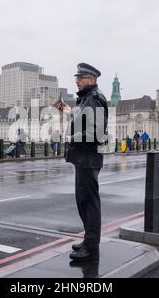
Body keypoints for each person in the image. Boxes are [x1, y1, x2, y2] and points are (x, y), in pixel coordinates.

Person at [57, 63, 109, 262]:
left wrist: (72, 138)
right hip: (84, 157)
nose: (76, 81)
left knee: (89, 203)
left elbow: (95, 133)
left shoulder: (94, 100)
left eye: (80, 77)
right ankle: (89, 240)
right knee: (84, 202)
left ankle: (91, 248)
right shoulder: (87, 99)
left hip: (88, 157)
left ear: (92, 80)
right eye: (76, 78)